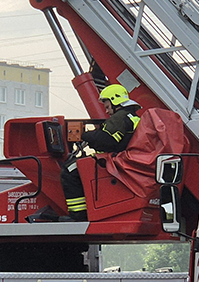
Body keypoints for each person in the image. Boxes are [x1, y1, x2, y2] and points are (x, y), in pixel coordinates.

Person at [59, 84, 142, 221]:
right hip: (122, 159)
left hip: (113, 160)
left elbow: (107, 140)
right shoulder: (132, 116)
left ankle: (78, 216)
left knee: (69, 170)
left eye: (107, 105)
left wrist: (85, 135)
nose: (107, 110)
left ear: (115, 100)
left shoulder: (119, 117)